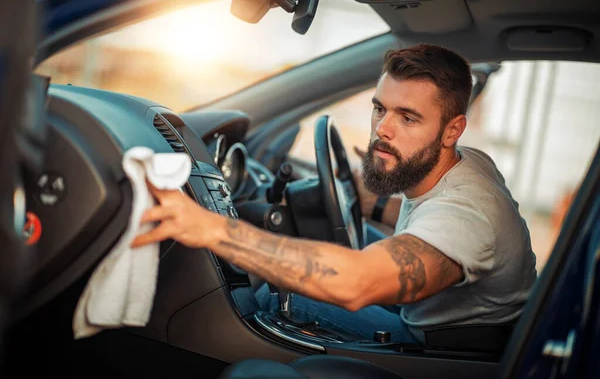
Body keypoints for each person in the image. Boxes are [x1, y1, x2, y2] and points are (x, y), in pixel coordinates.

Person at [132, 44, 537, 345]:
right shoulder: (466, 162)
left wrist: (211, 230)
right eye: (381, 109)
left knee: (278, 300)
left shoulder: (465, 218)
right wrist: (369, 201)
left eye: (408, 118)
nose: (383, 129)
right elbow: (428, 211)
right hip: (447, 322)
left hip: (446, 351)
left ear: (453, 130)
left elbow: (357, 282)